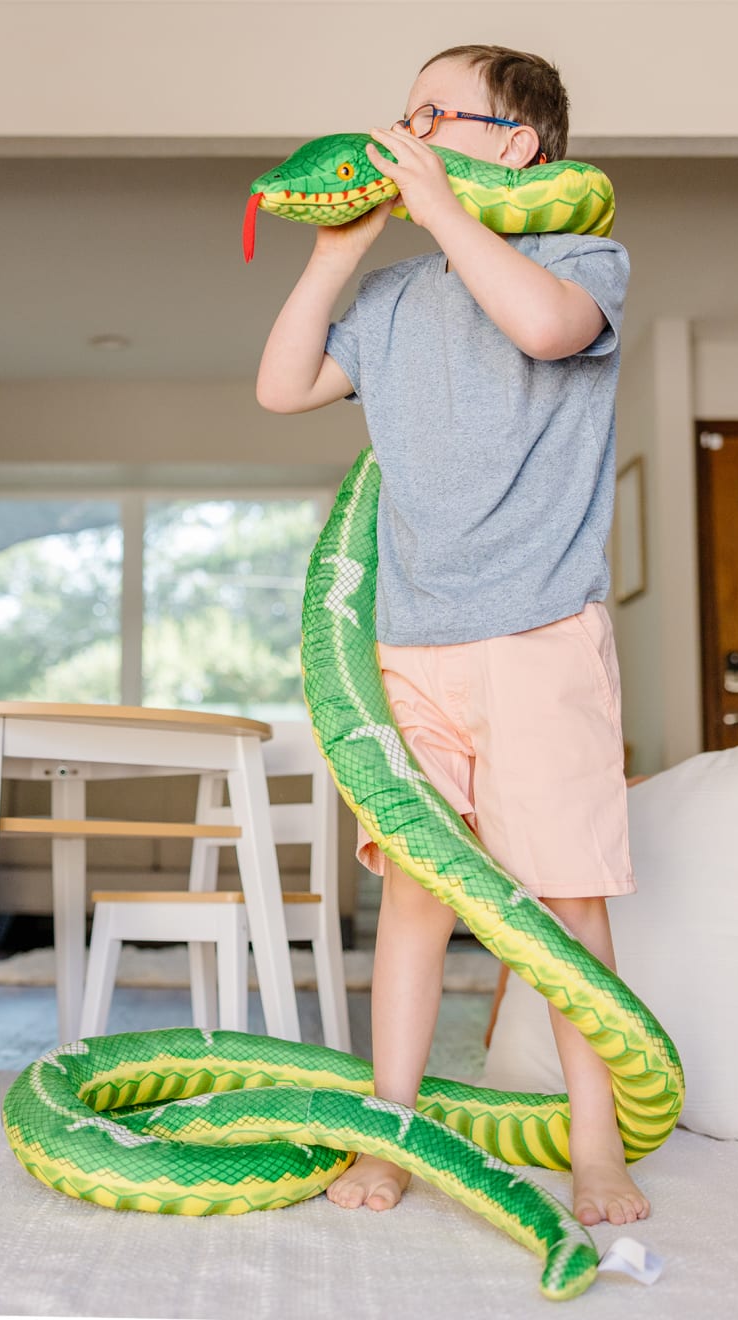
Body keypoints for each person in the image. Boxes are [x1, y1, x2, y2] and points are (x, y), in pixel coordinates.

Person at [255, 43, 648, 1228]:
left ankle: (595, 1152)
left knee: (567, 901)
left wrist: (432, 202)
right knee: (417, 901)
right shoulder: (392, 300)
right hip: (413, 644)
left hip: (539, 635)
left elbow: (541, 330)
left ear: (519, 146)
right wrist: (334, 258)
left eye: (438, 113)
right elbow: (281, 388)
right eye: (405, 109)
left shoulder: (584, 260)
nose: (408, 129)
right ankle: (394, 1135)